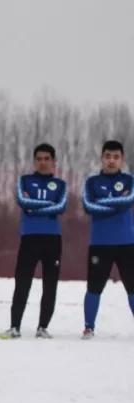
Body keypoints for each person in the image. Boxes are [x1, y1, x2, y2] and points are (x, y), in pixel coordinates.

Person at [0, 143, 67, 339]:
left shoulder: (61, 185)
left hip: (53, 240)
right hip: (29, 239)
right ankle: (14, 327)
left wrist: (35, 207)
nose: (43, 163)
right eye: (39, 159)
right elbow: (23, 201)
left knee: (50, 285)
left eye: (47, 159)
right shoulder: (25, 181)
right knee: (22, 283)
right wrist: (49, 205)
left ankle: (42, 327)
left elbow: (60, 207)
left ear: (54, 162)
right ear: (34, 161)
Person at [80, 139, 134, 339]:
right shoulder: (91, 182)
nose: (112, 161)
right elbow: (88, 206)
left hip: (127, 242)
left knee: (133, 288)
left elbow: (129, 200)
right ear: (102, 158)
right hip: (100, 244)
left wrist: (102, 203)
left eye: (116, 157)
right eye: (108, 157)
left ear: (122, 159)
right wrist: (117, 205)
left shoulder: (130, 180)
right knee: (94, 287)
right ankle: (88, 327)